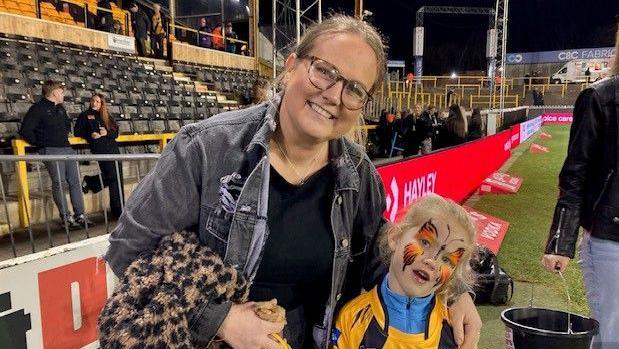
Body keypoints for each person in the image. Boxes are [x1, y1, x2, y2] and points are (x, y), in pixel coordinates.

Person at [104, 15, 481, 349]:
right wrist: (222, 321)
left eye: (354, 89)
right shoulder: (205, 148)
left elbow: (378, 254)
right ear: (290, 67)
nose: (333, 95)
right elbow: (127, 250)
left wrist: (454, 292)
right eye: (325, 71)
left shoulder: (358, 174)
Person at [542, 20, 619, 349]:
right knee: (610, 336)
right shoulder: (600, 98)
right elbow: (575, 173)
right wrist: (561, 242)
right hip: (609, 240)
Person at [332, 194, 476, 348]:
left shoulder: (455, 327)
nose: (433, 261)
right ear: (395, 237)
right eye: (425, 242)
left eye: (447, 259)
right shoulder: (353, 317)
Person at [19, 80, 92, 230]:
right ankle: (66, 218)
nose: (63, 94)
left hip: (67, 148)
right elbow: (26, 130)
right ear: (54, 93)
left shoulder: (60, 109)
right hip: (50, 150)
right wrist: (42, 144)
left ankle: (81, 215)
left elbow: (66, 127)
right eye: (61, 91)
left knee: (75, 182)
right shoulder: (37, 109)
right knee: (59, 183)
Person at [74, 94, 124, 219]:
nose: (94, 103)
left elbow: (116, 132)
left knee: (117, 177)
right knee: (112, 176)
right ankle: (118, 210)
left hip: (113, 149)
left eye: (97, 101)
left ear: (102, 104)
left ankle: (120, 207)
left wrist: (107, 132)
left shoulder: (107, 116)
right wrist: (90, 134)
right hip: (100, 149)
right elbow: (77, 131)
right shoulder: (85, 115)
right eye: (93, 101)